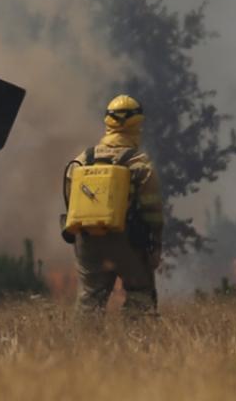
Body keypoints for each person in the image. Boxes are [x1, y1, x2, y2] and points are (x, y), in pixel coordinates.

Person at [66, 95, 164, 315]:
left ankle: (82, 346)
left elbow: (70, 200)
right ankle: (136, 343)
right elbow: (153, 212)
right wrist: (155, 245)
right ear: (137, 123)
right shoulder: (140, 164)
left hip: (87, 239)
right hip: (127, 240)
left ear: (107, 122)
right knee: (141, 293)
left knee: (90, 300)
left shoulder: (82, 159)